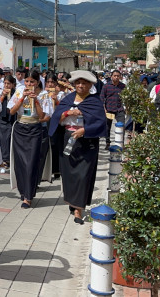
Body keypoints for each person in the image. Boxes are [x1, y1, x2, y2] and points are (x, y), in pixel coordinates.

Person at [49, 71, 107, 224]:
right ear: (74, 84)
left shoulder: (94, 102)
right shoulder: (67, 99)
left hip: (87, 142)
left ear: (91, 85)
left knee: (83, 176)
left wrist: (85, 130)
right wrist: (68, 112)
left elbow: (100, 123)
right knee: (69, 174)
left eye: (85, 83)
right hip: (68, 139)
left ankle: (78, 210)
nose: (81, 85)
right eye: (78, 82)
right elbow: (57, 118)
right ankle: (71, 201)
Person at [8, 70, 54, 208]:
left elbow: (43, 117)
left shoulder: (44, 95)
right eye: (27, 81)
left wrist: (36, 101)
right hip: (20, 128)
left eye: (32, 81)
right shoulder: (19, 90)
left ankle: (29, 195)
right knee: (20, 163)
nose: (28, 84)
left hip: (34, 129)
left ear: (38, 82)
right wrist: (22, 98)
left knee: (31, 163)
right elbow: (11, 111)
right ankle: (23, 192)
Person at [100, 70, 126, 149]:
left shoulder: (123, 87)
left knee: (122, 126)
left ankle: (121, 143)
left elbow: (126, 98)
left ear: (120, 77)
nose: (116, 77)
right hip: (109, 109)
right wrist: (104, 109)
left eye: (118, 76)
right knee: (107, 127)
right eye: (115, 75)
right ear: (111, 76)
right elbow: (102, 98)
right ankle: (107, 142)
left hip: (119, 109)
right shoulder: (106, 86)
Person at [0, 76, 17, 173]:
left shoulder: (16, 93)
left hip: (13, 118)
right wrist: (3, 96)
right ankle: (5, 159)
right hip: (3, 118)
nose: (6, 85)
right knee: (4, 138)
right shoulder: (0, 92)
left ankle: (12, 157)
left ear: (13, 84)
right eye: (5, 83)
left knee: (12, 138)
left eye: (8, 83)